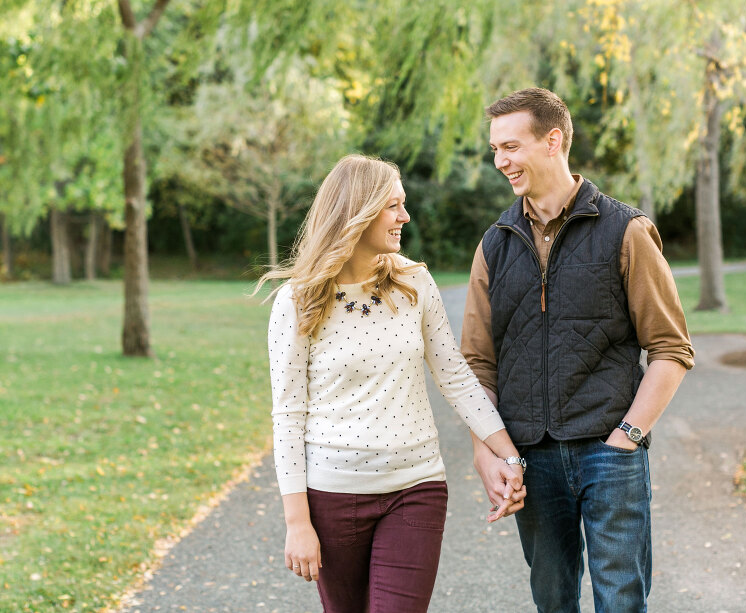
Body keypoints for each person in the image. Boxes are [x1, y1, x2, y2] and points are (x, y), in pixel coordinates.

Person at [258, 154, 525, 613]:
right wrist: (297, 522)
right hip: (332, 496)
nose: (405, 216)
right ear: (356, 211)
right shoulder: (297, 301)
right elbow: (288, 416)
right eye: (393, 206)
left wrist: (507, 453)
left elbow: (456, 377)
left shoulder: (414, 281)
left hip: (415, 488)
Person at [462, 88, 695, 612]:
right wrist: (487, 447)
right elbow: (477, 361)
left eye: (511, 146)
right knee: (551, 600)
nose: (501, 161)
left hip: (609, 452)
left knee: (620, 600)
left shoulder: (626, 231)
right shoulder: (493, 243)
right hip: (530, 457)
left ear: (553, 140)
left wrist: (627, 437)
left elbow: (671, 348)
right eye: (495, 149)